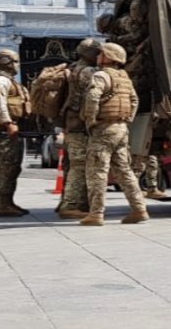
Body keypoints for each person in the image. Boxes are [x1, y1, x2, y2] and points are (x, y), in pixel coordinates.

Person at [80, 42, 148, 226]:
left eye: (101, 53)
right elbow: (134, 100)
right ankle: (139, 208)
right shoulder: (124, 77)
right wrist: (127, 120)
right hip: (121, 129)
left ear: (108, 57)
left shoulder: (101, 75)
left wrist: (91, 119)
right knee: (124, 170)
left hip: (104, 129)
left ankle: (96, 214)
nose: (98, 56)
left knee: (97, 171)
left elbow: (93, 97)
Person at [58, 38, 101, 220]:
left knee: (71, 163)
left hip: (71, 123)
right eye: (97, 52)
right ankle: (71, 205)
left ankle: (69, 201)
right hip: (79, 125)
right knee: (80, 164)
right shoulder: (88, 71)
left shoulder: (74, 67)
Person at [0, 49, 31, 217]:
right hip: (6, 130)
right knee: (7, 168)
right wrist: (8, 123)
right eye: (15, 61)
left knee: (13, 168)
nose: (18, 65)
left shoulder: (10, 81)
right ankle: (4, 204)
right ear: (8, 62)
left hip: (11, 128)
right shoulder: (1, 81)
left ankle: (9, 202)